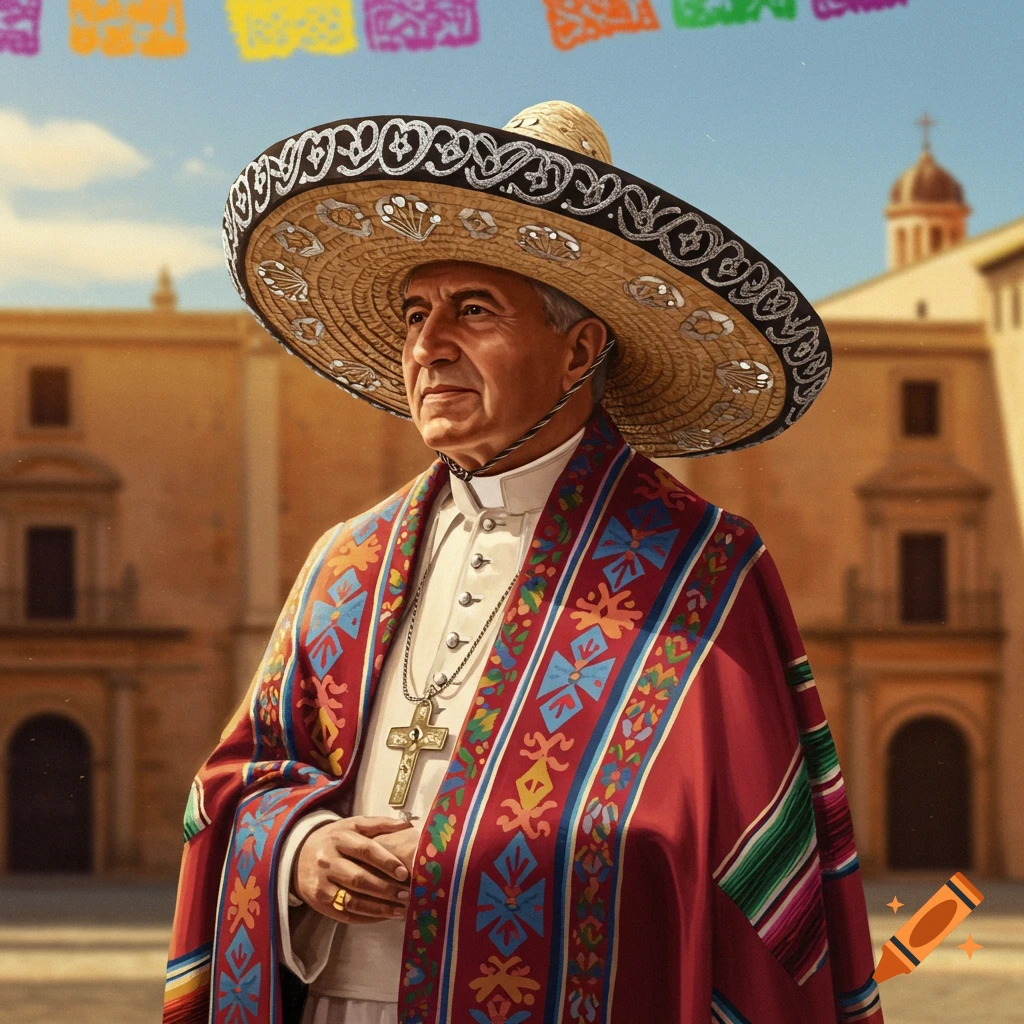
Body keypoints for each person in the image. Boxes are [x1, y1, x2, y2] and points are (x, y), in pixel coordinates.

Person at [163, 101, 882, 1024]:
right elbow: (237, 784)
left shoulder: (702, 568)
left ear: (579, 350)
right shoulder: (345, 564)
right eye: (416, 314)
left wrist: (476, 854)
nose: (427, 347)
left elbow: (740, 869)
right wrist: (298, 847)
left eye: (473, 310)